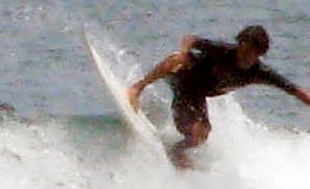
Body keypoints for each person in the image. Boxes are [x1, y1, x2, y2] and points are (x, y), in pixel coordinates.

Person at [126, 25, 310, 169]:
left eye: (249, 53)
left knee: (202, 133)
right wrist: (183, 53)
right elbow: (191, 39)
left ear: (259, 54)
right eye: (242, 48)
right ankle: (138, 87)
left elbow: (295, 90)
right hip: (182, 76)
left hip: (194, 94)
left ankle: (176, 151)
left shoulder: (261, 73)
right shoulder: (223, 50)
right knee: (177, 59)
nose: (243, 55)